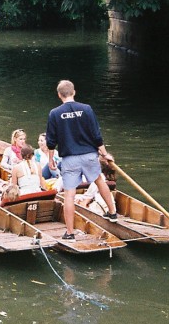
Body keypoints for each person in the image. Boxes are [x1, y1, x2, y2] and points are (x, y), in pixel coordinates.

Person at [45, 79, 118, 239]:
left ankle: (70, 233)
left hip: (69, 158)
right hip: (89, 155)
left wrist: (51, 159)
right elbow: (96, 135)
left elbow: (51, 141)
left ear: (59, 95)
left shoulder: (55, 113)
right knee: (99, 181)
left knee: (69, 194)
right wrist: (104, 154)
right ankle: (112, 213)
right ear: (74, 92)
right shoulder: (86, 109)